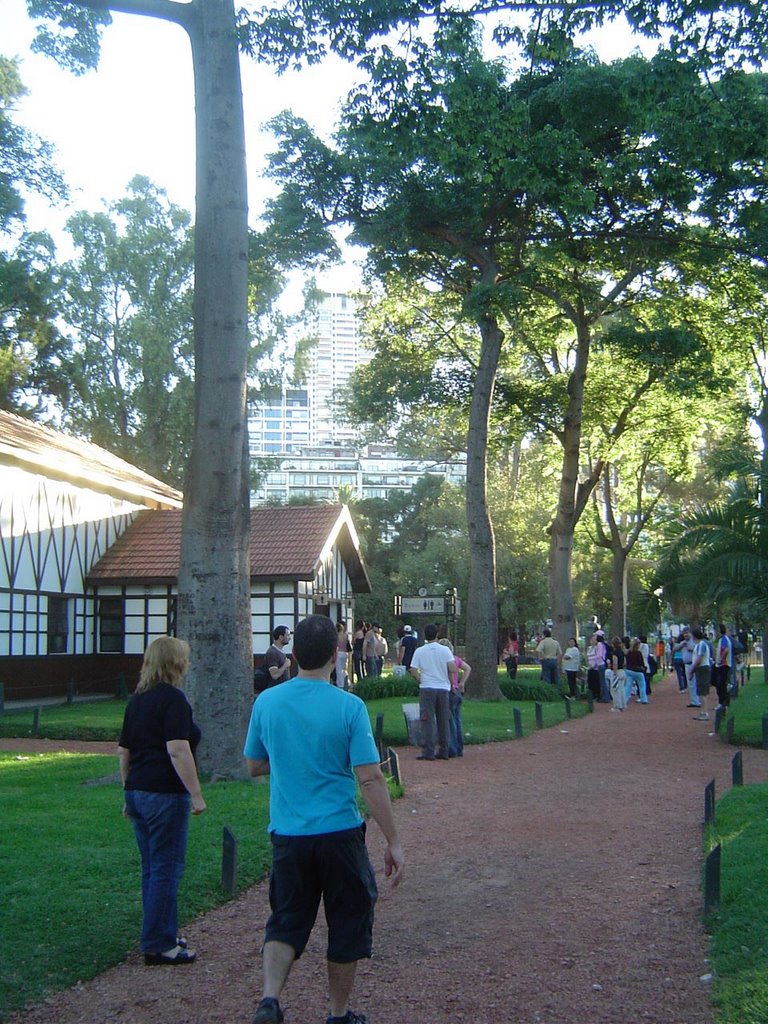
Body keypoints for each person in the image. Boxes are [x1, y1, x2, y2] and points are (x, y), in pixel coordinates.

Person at [244, 614, 404, 1024]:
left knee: (285, 920)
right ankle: (337, 1013)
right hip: (339, 833)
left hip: (289, 834)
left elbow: (254, 764)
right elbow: (369, 777)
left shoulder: (267, 702)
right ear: (335, 655)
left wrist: (288, 756)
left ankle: (269, 999)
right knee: (347, 921)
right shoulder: (349, 707)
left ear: (294, 654)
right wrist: (393, 840)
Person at [118, 636, 206, 967]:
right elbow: (177, 748)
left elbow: (124, 752)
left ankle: (161, 931)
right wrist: (195, 793)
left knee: (151, 868)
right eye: (183, 659)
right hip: (165, 793)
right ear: (174, 664)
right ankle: (159, 944)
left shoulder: (137, 700)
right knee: (167, 868)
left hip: (139, 791)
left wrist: (129, 792)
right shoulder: (174, 701)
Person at [408, 622, 458, 761]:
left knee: (427, 719)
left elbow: (413, 670)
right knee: (443, 719)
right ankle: (444, 750)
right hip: (443, 688)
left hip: (427, 687)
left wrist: (420, 679)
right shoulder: (445, 650)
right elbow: (453, 668)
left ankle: (428, 750)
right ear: (437, 634)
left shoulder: (420, 651)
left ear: (425, 635)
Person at [438, 637, 470, 758]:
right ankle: (459, 747)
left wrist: (451, 685)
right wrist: (462, 683)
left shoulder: (445, 661)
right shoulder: (456, 659)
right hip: (457, 691)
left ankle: (452, 748)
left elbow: (450, 673)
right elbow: (468, 668)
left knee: (449, 720)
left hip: (449, 690)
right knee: (457, 719)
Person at [690, 626, 712, 722]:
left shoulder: (701, 645)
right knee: (701, 691)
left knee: (703, 692)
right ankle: (703, 711)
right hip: (700, 669)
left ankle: (705, 712)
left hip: (702, 669)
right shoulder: (699, 645)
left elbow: (699, 659)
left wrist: (691, 670)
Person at [713, 622, 733, 714]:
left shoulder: (724, 639)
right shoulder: (723, 639)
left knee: (720, 685)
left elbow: (726, 650)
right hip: (722, 665)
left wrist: (721, 659)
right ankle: (723, 703)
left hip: (723, 665)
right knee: (721, 685)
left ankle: (722, 703)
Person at [624, 638, 649, 705]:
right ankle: (644, 699)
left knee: (628, 686)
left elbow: (627, 662)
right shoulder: (638, 653)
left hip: (629, 670)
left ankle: (625, 699)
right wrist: (644, 668)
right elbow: (641, 663)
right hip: (638, 671)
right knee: (642, 685)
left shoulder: (628, 652)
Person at [608, 636, 627, 711]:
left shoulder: (614, 653)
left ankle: (617, 706)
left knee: (614, 690)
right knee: (621, 690)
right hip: (622, 671)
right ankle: (623, 705)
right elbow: (625, 662)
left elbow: (615, 663)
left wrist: (614, 673)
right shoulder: (622, 652)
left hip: (617, 672)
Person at [335, 621, 351, 690]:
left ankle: (340, 685)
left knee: (339, 670)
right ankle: (346, 682)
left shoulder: (336, 636)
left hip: (338, 653)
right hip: (345, 653)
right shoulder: (346, 635)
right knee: (344, 669)